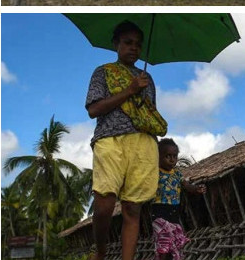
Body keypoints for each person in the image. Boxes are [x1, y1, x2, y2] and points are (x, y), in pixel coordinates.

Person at [85, 20, 162, 260]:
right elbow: (94, 109)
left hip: (143, 142)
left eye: (138, 45)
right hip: (110, 139)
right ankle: (100, 252)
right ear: (116, 44)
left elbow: (148, 114)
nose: (134, 48)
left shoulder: (147, 79)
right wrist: (129, 90)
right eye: (128, 43)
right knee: (104, 202)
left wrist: (140, 91)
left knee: (132, 207)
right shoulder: (103, 72)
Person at [152, 138, 206, 260]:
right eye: (167, 156)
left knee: (173, 245)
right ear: (158, 157)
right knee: (163, 243)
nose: (172, 159)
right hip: (159, 213)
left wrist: (196, 189)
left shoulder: (177, 174)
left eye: (175, 156)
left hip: (174, 214)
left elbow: (186, 186)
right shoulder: (154, 173)